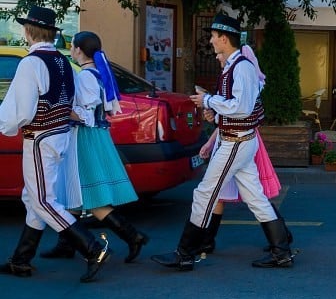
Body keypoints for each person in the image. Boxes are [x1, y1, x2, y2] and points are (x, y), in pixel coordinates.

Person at [151, 14, 294, 271]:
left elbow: (241, 107)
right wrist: (215, 112)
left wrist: (208, 102)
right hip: (239, 140)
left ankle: (185, 253)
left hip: (235, 142)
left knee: (205, 193)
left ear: (224, 38)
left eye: (213, 36)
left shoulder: (241, 68)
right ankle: (281, 251)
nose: (211, 41)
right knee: (255, 198)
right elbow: (239, 107)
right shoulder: (236, 66)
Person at [0, 7, 111, 282]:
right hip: (60, 134)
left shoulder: (31, 63)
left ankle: (92, 248)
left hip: (40, 137)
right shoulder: (63, 61)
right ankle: (21, 259)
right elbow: (71, 101)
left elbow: (23, 110)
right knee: (33, 197)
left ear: (28, 31)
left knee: (42, 200)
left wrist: (6, 125)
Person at [39, 31, 147, 264]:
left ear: (78, 50)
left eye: (73, 47)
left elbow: (86, 115)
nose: (71, 51)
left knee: (91, 195)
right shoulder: (97, 72)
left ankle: (133, 236)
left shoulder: (85, 76)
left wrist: (57, 107)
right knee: (72, 191)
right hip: (94, 136)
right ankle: (66, 244)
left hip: (85, 138)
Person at [195, 46, 283, 255]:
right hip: (232, 138)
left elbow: (241, 113)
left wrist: (210, 103)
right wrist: (213, 129)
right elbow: (229, 116)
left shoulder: (244, 73)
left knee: (246, 193)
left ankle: (281, 240)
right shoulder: (231, 75)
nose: (217, 55)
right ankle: (281, 243)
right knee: (237, 193)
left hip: (242, 139)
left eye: (219, 50)